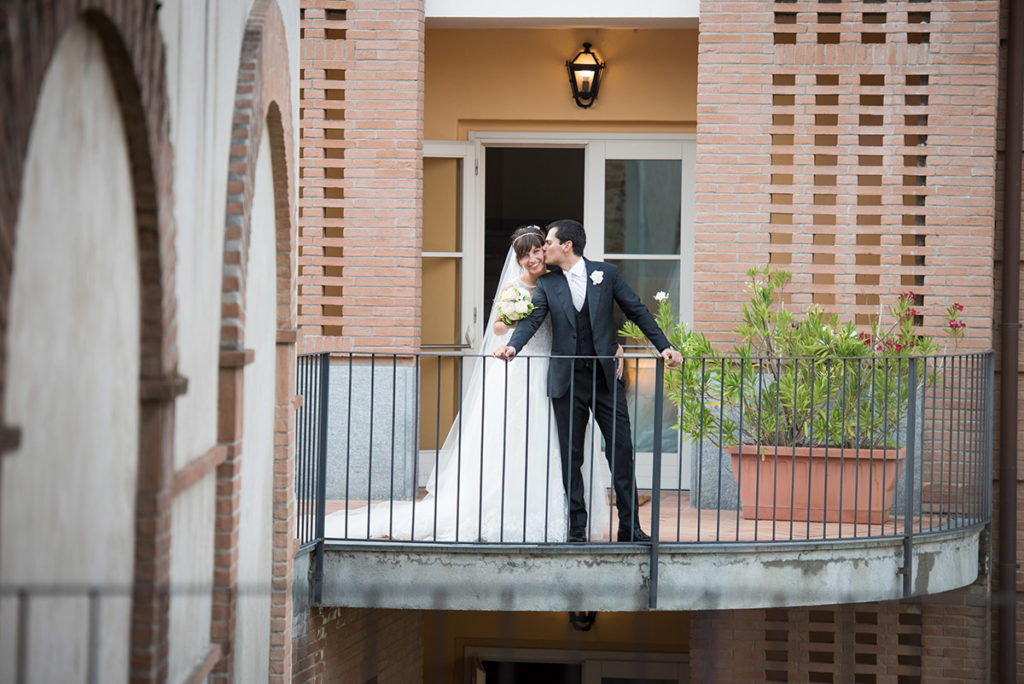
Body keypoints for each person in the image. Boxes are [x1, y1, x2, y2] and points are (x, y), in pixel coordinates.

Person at [324, 226, 610, 542]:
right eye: (525, 254)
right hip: (519, 369)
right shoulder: (514, 288)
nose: (533, 258)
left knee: (558, 443)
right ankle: (510, 514)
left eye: (537, 250)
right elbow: (498, 327)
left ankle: (563, 516)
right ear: (518, 259)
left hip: (555, 370)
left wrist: (615, 346)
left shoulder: (559, 281)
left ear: (547, 249)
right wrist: (515, 317)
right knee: (516, 440)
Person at [493, 219, 683, 542]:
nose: (544, 248)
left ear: (567, 246)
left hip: (606, 378)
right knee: (572, 457)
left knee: (621, 451)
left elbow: (636, 310)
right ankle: (576, 528)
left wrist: (664, 346)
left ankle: (630, 528)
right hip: (567, 382)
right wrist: (513, 346)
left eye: (549, 243)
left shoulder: (605, 275)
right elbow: (533, 319)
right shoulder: (548, 285)